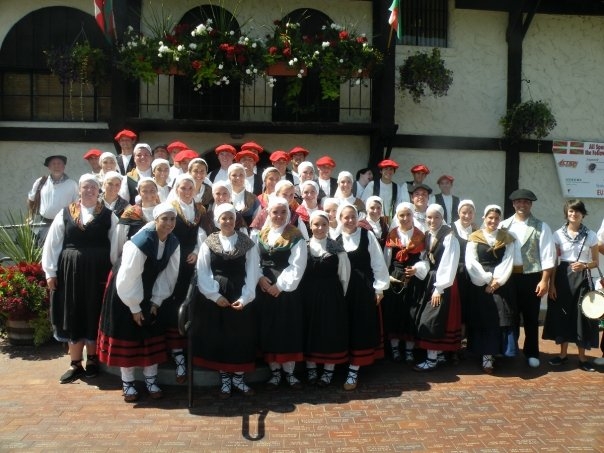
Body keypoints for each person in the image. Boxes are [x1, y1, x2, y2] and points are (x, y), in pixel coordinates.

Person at [97, 203, 180, 402]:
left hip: (149, 289)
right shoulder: (141, 242)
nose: (169, 223)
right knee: (129, 334)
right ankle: (128, 383)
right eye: (164, 219)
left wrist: (156, 301)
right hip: (125, 290)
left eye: (172, 219)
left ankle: (151, 380)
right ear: (156, 219)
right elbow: (128, 277)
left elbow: (169, 275)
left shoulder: (173, 242)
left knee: (151, 332)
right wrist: (134, 306)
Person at [41, 174, 118, 383]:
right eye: (86, 187)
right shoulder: (65, 213)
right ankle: (75, 363)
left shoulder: (109, 216)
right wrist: (50, 273)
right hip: (70, 272)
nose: (90, 190)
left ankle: (93, 359)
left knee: (94, 310)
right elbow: (53, 243)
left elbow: (116, 245)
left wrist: (114, 272)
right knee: (74, 310)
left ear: (98, 190)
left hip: (99, 272)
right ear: (79, 190)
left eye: (93, 187)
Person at [191, 203, 260, 398]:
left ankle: (238, 378)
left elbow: (252, 271)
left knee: (241, 335)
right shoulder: (209, 242)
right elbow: (202, 271)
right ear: (217, 221)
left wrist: (246, 297)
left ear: (236, 220)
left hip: (240, 293)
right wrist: (215, 295)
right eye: (224, 218)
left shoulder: (246, 243)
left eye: (231, 217)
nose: (228, 221)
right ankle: (225, 381)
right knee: (220, 335)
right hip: (217, 294)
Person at [500, 189, 556, 368]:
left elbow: (548, 256)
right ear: (513, 204)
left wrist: (545, 280)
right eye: (518, 202)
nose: (521, 205)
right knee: (510, 316)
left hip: (532, 277)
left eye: (525, 202)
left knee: (531, 317)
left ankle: (532, 352)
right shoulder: (504, 225)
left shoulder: (541, 226)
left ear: (530, 204)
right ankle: (511, 350)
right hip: (508, 278)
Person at [336, 203, 390, 390]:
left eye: (353, 216)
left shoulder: (367, 236)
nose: (350, 220)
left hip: (363, 288)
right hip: (342, 289)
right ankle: (341, 364)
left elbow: (378, 262)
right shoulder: (334, 238)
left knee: (360, 327)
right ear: (339, 219)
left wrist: (379, 288)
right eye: (346, 217)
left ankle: (353, 370)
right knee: (344, 326)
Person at [256, 197, 308, 390]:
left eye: (282, 212)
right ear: (268, 213)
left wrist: (280, 285)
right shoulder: (262, 233)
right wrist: (260, 278)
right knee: (269, 329)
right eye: (274, 212)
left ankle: (290, 372)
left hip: (286, 291)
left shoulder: (295, 236)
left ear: (288, 214)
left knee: (287, 330)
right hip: (265, 288)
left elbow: (298, 265)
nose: (278, 216)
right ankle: (275, 372)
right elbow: (256, 260)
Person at [544, 200, 600, 372]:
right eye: (570, 211)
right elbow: (553, 262)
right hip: (562, 277)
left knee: (581, 317)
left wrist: (584, 266)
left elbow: (596, 262)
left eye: (577, 211)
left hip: (583, 279)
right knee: (563, 315)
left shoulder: (591, 235)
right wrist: (551, 285)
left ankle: (583, 358)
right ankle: (562, 355)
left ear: (583, 214)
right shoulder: (557, 234)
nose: (573, 214)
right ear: (566, 214)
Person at [167, 174, 210, 383]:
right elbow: (164, 234)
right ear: (176, 188)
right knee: (175, 305)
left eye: (190, 188)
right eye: (183, 188)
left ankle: (193, 349)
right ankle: (177, 353)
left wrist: (196, 251)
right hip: (173, 261)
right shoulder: (170, 208)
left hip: (193, 261)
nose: (186, 191)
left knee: (194, 303)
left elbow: (202, 235)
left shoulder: (200, 209)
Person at [465, 205, 517, 373]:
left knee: (500, 318)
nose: (493, 221)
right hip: (481, 282)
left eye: (496, 218)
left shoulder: (506, 238)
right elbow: (471, 261)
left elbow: (508, 260)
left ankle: (497, 352)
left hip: (501, 282)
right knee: (484, 318)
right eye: (490, 218)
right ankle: (486, 356)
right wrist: (486, 279)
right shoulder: (475, 237)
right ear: (484, 218)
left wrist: (497, 281)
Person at [303, 210, 351, 387]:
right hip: (309, 295)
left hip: (331, 295)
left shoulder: (338, 250)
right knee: (310, 329)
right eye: (316, 224)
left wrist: (338, 296)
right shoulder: (304, 246)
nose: (320, 228)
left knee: (329, 331)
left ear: (328, 225)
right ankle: (311, 368)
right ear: (310, 226)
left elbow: (344, 276)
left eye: (323, 224)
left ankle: (328, 371)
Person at [413, 204, 461, 371]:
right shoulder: (427, 235)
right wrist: (417, 269)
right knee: (438, 318)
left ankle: (431, 360)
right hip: (432, 279)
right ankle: (438, 355)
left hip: (444, 281)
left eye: (436, 217)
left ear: (442, 218)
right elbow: (426, 260)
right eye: (429, 217)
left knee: (432, 318)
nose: (432, 220)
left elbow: (449, 263)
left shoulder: (449, 236)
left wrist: (439, 288)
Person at [383, 202, 426, 363]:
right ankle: (395, 348)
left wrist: (416, 269)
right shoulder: (392, 234)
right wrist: (387, 276)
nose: (405, 218)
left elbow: (424, 259)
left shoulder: (420, 235)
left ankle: (408, 350)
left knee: (411, 312)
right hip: (395, 277)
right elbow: (386, 258)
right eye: (401, 215)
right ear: (397, 217)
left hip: (413, 278)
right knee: (396, 312)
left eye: (408, 214)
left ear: (412, 216)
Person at [27, 155, 79, 246]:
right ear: (49, 167)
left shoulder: (72, 184)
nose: (56, 166)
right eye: (53, 164)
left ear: (64, 167)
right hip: (44, 225)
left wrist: (75, 224)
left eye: (59, 164)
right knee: (42, 250)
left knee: (63, 249)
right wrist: (30, 216)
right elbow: (31, 200)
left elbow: (76, 205)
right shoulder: (40, 182)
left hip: (64, 225)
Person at [451, 199, 479, 353]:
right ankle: (453, 345)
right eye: (464, 212)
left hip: (471, 275)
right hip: (455, 274)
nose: (467, 216)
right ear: (458, 213)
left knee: (467, 309)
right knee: (456, 308)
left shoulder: (476, 231)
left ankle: (463, 343)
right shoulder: (450, 228)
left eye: (470, 213)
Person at [110, 178, 160, 263]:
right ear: (139, 192)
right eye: (145, 191)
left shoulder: (163, 211)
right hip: (136, 258)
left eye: (152, 190)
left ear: (157, 191)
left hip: (158, 258)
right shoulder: (130, 213)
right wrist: (118, 261)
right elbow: (119, 238)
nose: (149, 194)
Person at [227, 163, 260, 227]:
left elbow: (257, 222)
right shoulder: (224, 197)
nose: (238, 177)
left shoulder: (253, 198)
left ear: (245, 176)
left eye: (241, 175)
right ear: (229, 177)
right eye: (234, 175)